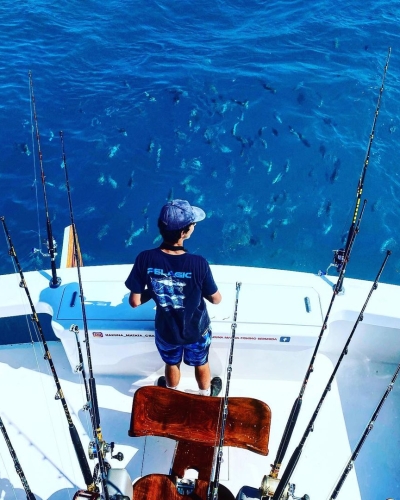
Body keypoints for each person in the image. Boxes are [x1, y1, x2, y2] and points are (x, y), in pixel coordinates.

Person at [125, 199, 222, 396]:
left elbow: (134, 301)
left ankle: (172, 394)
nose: (194, 226)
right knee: (201, 361)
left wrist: (155, 289)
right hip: (196, 330)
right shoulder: (198, 263)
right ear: (184, 232)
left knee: (171, 362)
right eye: (192, 224)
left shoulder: (145, 258)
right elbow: (216, 299)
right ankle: (205, 395)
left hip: (166, 331)